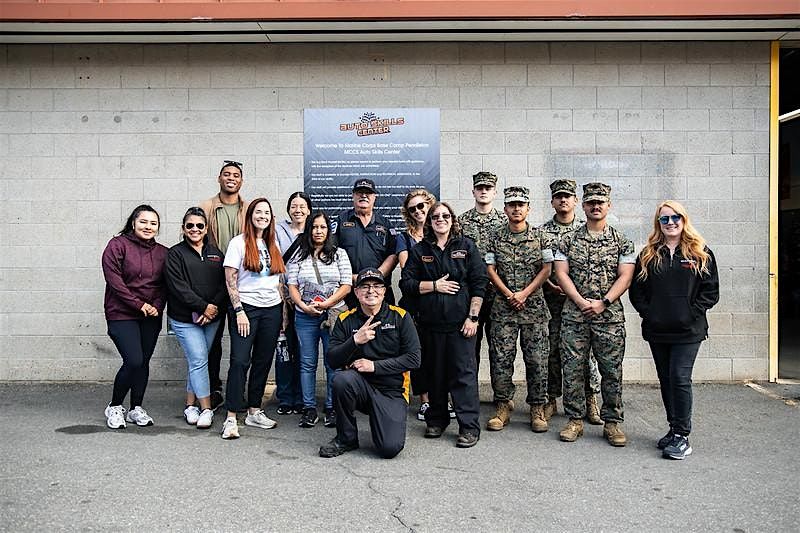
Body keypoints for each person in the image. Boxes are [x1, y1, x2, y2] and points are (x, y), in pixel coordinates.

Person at [629, 201, 719, 460]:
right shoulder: (648, 254)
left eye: (675, 217)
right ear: (658, 223)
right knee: (666, 379)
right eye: (664, 219)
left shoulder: (701, 252)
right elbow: (637, 291)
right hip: (658, 330)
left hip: (688, 331)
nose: (670, 223)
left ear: (684, 219)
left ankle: (682, 435)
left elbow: (711, 292)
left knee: (679, 377)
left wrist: (689, 314)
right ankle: (673, 429)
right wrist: (650, 313)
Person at [554, 182, 636, 446]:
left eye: (600, 202)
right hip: (574, 317)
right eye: (591, 202)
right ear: (584, 205)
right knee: (573, 370)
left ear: (608, 206)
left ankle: (612, 423)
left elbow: (626, 276)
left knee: (611, 371)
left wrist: (604, 302)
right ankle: (575, 420)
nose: (595, 206)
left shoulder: (622, 241)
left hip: (609, 318)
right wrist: (580, 302)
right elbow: (561, 273)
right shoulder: (567, 240)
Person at [400, 202, 487, 448]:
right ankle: (436, 420)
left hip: (461, 326)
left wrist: (473, 318)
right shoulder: (420, 250)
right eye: (435, 216)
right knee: (434, 375)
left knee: (463, 377)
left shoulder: (466, 246)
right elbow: (406, 284)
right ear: (429, 222)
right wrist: (434, 286)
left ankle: (469, 427)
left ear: (452, 219)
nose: (440, 219)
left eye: (445, 216)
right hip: (430, 326)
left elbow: (479, 283)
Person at [319, 268, 421, 459]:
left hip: (391, 391)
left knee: (389, 449)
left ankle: (381, 420)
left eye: (376, 286)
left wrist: (375, 366)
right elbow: (332, 360)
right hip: (360, 388)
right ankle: (346, 438)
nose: (371, 290)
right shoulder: (345, 319)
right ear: (356, 292)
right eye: (364, 286)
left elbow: (414, 359)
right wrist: (355, 340)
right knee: (341, 380)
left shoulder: (400, 317)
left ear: (384, 291)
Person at [484, 187, 554, 433]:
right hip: (503, 310)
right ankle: (503, 406)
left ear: (528, 208)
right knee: (501, 360)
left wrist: (524, 294)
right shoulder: (494, 236)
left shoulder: (541, 236)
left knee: (537, 360)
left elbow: (547, 269)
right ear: (505, 209)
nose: (516, 208)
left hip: (534, 310)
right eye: (512, 204)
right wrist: (508, 294)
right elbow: (490, 269)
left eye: (521, 204)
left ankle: (537, 408)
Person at [220, 197, 286, 439]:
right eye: (258, 212)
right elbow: (230, 280)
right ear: (250, 215)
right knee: (239, 361)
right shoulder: (238, 243)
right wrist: (239, 311)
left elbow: (278, 281)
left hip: (272, 309)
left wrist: (283, 314)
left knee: (263, 360)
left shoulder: (273, 243)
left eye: (267, 213)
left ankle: (254, 410)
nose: (263, 216)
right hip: (246, 308)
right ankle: (231, 416)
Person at [540, 179, 602, 425]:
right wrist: (550, 285)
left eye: (567, 196)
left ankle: (590, 398)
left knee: (587, 354)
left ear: (576, 201)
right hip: (553, 302)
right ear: (552, 201)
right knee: (552, 351)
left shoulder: (587, 228)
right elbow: (538, 266)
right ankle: (551, 399)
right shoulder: (543, 232)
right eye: (559, 197)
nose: (563, 200)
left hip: (581, 304)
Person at [101, 204, 168, 429]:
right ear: (133, 223)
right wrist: (139, 304)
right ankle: (115, 406)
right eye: (143, 222)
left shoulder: (163, 253)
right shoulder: (117, 245)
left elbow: (163, 285)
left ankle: (135, 408)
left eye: (153, 223)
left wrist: (156, 305)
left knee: (143, 362)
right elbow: (115, 282)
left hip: (151, 315)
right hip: (121, 313)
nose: (148, 227)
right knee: (134, 360)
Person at [287, 211, 352, 428]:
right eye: (314, 227)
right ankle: (309, 408)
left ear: (328, 230)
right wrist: (303, 306)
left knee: (333, 362)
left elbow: (346, 285)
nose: (318, 231)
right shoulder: (298, 255)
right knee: (307, 363)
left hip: (333, 314)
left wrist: (326, 304)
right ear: (309, 229)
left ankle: (332, 407)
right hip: (305, 316)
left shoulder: (339, 254)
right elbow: (292, 286)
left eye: (323, 227)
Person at [165, 207, 227, 430]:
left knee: (196, 361)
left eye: (199, 225)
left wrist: (212, 309)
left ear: (206, 228)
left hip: (212, 318)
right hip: (185, 320)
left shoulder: (215, 253)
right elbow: (178, 287)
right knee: (200, 359)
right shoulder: (175, 254)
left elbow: (224, 284)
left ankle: (190, 405)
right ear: (183, 228)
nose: (195, 229)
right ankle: (207, 408)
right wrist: (203, 307)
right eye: (190, 225)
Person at [200, 160, 249, 409]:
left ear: (242, 181)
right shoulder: (206, 207)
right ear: (219, 178)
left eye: (236, 175)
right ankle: (213, 389)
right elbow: (193, 239)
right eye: (227, 174)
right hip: (214, 284)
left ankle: (238, 391)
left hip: (244, 285)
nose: (231, 178)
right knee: (212, 341)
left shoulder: (249, 208)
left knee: (242, 342)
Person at [458, 171, 506, 372]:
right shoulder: (461, 222)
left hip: (498, 294)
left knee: (500, 348)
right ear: (473, 191)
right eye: (480, 188)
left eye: (488, 188)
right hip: (470, 293)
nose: (483, 191)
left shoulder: (505, 221)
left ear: (495, 192)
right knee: (470, 345)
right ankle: (471, 388)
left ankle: (501, 390)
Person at [395, 188, 437, 421]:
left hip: (439, 305)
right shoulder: (404, 238)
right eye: (412, 209)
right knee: (418, 353)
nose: (418, 211)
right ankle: (425, 401)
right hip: (414, 305)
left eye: (421, 206)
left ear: (430, 204)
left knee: (439, 353)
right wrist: (434, 280)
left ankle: (441, 398)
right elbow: (407, 271)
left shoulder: (442, 231)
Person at [274, 191, 312, 416]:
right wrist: (283, 295)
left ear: (309, 209)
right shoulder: (278, 230)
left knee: (303, 350)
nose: (298, 210)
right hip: (282, 298)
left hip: (306, 299)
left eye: (302, 206)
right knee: (284, 348)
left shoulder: (315, 230)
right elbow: (274, 262)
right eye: (294, 206)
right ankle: (285, 397)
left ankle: (301, 397)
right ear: (288, 209)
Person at [334, 178, 397, 309]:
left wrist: (376, 276)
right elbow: (331, 252)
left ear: (374, 197)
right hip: (349, 290)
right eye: (359, 192)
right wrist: (350, 277)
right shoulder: (341, 221)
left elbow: (393, 254)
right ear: (353, 196)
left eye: (368, 193)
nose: (364, 196)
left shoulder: (385, 224)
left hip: (379, 291)